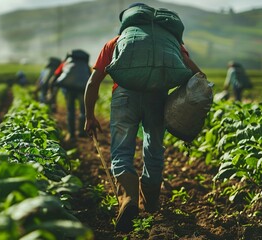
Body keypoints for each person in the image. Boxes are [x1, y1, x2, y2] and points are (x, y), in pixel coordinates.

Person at [84, 3, 205, 233]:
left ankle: (128, 197)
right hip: (157, 98)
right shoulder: (171, 43)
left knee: (121, 149)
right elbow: (197, 75)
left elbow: (93, 82)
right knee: (154, 147)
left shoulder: (117, 41)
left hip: (124, 97)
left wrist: (90, 116)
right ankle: (149, 202)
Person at [52, 49, 92, 141]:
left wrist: (53, 89)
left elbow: (56, 75)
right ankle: (82, 131)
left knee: (71, 111)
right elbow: (90, 77)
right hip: (82, 89)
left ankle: (71, 134)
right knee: (83, 111)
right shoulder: (85, 65)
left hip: (69, 89)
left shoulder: (66, 63)